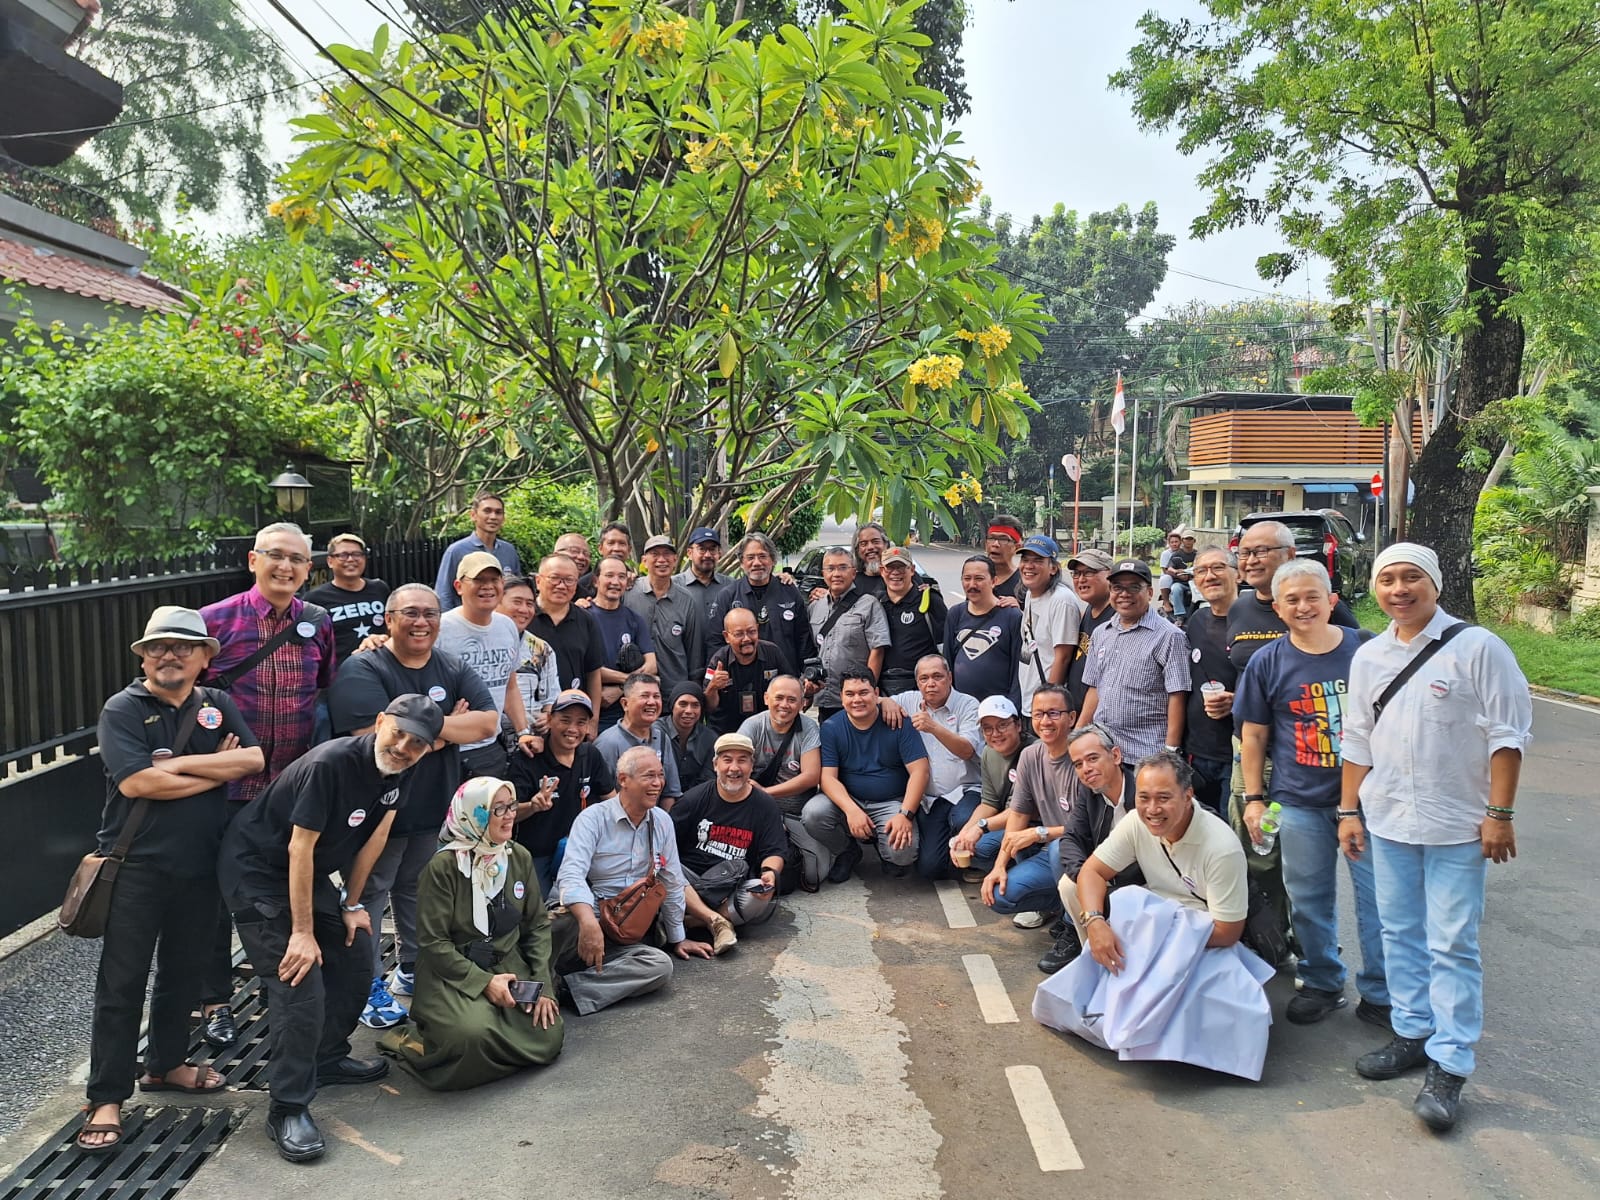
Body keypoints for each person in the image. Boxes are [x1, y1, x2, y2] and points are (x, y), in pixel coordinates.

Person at [1340, 543, 1532, 1132]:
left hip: (1457, 825)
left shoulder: (1478, 648)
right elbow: (1358, 738)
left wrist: (1499, 812)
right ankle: (1412, 1033)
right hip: (1389, 819)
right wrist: (1348, 810)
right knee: (1399, 932)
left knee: (1451, 942)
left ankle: (1449, 1065)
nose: (1398, 589)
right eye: (1387, 579)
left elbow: (1508, 734)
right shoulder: (1370, 656)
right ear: (1374, 590)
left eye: (1411, 578)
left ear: (1437, 583)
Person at [217, 695, 443, 1163]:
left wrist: (353, 905)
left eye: (417, 743)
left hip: (309, 872)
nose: (403, 746)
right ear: (379, 721)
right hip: (259, 868)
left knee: (357, 954)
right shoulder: (332, 763)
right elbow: (300, 847)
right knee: (299, 980)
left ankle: (327, 1056)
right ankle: (288, 1106)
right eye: (397, 732)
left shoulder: (405, 770)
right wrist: (302, 932)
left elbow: (376, 836)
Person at [77, 608, 264, 1156]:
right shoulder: (123, 709)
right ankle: (106, 1095)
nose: (170, 655)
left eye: (184, 646)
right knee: (123, 981)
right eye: (158, 646)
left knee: (184, 975)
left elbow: (252, 760)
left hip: (203, 865)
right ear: (143, 656)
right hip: (137, 867)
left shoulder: (217, 704)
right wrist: (208, 770)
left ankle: (166, 1065)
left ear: (205, 657)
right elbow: (136, 782)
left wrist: (173, 769)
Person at [328, 583, 499, 1029]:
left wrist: (421, 731)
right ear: (389, 619)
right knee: (366, 896)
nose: (421, 621)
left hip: (429, 807)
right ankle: (362, 985)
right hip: (374, 810)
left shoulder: (450, 664)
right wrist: (446, 729)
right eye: (410, 613)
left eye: (430, 613)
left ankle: (413, 969)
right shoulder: (363, 667)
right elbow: (365, 734)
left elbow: (487, 721)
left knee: (418, 893)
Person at [1038, 752, 1270, 1081]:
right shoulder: (1137, 822)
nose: (1152, 809)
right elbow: (1091, 871)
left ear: (1188, 796)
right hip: (1156, 920)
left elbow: (1228, 931)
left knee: (1214, 1017)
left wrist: (1160, 940)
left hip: (1202, 934)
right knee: (1112, 902)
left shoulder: (1222, 847)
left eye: (1164, 798)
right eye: (1144, 798)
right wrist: (1095, 921)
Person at [198, 521, 337, 1048]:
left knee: (283, 895)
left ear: (309, 568)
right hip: (227, 789)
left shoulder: (316, 622)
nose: (286, 567)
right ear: (253, 560)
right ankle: (214, 1002)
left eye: (297, 560)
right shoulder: (215, 621)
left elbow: (323, 690)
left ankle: (279, 989)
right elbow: (182, 698)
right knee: (215, 899)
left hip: (288, 792)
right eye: (276, 556)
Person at [1236, 558, 1388, 1028]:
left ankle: (1382, 992)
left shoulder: (1367, 651)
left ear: (1332, 602)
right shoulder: (1267, 662)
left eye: (1312, 597)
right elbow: (1255, 736)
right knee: (1308, 899)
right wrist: (1255, 799)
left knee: (1378, 903)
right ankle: (1322, 980)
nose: (1304, 607)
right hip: (1298, 800)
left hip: (1366, 803)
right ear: (1278, 608)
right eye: (1293, 600)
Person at [1224, 520, 1362, 954]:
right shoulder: (1241, 609)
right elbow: (1252, 723)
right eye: (1245, 552)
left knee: (1366, 893)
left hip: (1342, 774)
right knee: (1262, 854)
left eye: (1261, 551)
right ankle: (1278, 942)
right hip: (1258, 759)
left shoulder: (1353, 637)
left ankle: (1336, 964)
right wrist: (1253, 795)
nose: (1251, 559)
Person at [376, 777, 563, 1090]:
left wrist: (543, 985)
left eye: (511, 805)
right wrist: (485, 983)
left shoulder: (517, 857)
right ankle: (415, 1041)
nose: (509, 815)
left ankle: (488, 1039)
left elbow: (537, 925)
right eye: (497, 809)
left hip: (507, 964)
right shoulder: (443, 868)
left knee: (547, 1036)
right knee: (471, 1035)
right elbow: (433, 944)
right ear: (472, 815)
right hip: (452, 971)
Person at [551, 746, 713, 1013]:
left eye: (661, 776)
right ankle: (549, 975)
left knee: (659, 966)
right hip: (584, 920)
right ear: (624, 780)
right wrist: (588, 921)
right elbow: (571, 875)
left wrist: (677, 938)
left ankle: (568, 988)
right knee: (555, 928)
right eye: (649, 776)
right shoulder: (593, 818)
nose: (658, 783)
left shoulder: (661, 821)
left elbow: (672, 883)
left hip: (624, 929)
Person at [801, 671, 930, 882]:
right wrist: (852, 811)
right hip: (849, 800)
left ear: (876, 693)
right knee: (813, 814)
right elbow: (828, 778)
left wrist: (905, 814)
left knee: (902, 854)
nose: (857, 699)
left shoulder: (898, 721)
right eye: (849, 694)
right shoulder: (831, 727)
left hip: (890, 801)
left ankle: (883, 846)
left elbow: (920, 771)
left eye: (863, 692)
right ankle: (847, 850)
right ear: (841, 698)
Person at [1036, 724, 1141, 974]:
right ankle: (1095, 960)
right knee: (1069, 885)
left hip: (1150, 883)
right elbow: (1071, 838)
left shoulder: (1143, 790)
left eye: (1092, 758)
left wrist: (1107, 880)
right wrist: (1088, 877)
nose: (1086, 769)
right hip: (1111, 877)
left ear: (1115, 756)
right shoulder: (1090, 792)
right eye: (1078, 764)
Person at [671, 733, 788, 946]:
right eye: (727, 760)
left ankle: (690, 921)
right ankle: (716, 920)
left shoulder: (765, 804)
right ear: (715, 765)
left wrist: (769, 873)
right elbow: (666, 845)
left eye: (742, 760)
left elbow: (775, 849)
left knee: (757, 896)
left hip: (729, 884)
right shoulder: (694, 798)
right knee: (663, 869)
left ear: (752, 766)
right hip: (688, 878)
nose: (734, 768)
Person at [979, 684, 1079, 925]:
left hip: (1087, 853)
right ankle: (1062, 906)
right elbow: (1017, 815)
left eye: (1054, 713)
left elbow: (1089, 829)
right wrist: (998, 866)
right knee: (998, 895)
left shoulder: (1083, 757)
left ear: (1072, 718)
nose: (1045, 721)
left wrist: (1039, 833)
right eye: (1038, 714)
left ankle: (1071, 925)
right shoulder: (1031, 756)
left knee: (1059, 848)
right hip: (1051, 851)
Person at [1076, 558, 1190, 762]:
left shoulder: (1169, 636)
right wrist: (1078, 736)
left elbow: (1177, 695)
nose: (1124, 594)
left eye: (1134, 587)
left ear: (1150, 592)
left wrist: (1170, 752)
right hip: (1104, 748)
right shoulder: (1102, 632)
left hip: (1146, 753)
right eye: (1117, 588)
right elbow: (1094, 687)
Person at [880, 655, 981, 880]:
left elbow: (967, 750)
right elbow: (873, 701)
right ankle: (949, 850)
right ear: (917, 683)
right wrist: (884, 701)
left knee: (962, 819)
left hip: (966, 791)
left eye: (937, 676)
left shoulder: (968, 704)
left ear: (950, 678)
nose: (930, 683)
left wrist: (933, 727)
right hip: (930, 800)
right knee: (930, 870)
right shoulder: (909, 699)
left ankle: (976, 859)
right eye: (924, 678)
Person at [505, 691, 616, 894]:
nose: (573, 729)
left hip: (577, 850)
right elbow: (507, 813)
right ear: (549, 719)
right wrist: (533, 806)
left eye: (581, 722)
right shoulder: (528, 757)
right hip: (535, 853)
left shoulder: (589, 754)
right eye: (565, 720)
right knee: (536, 913)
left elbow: (612, 801)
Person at [440, 553, 537, 777]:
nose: (488, 587)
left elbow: (510, 685)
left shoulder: (507, 626)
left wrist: (523, 731)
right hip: (449, 748)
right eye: (478, 580)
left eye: (494, 580)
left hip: (491, 746)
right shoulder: (441, 628)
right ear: (458, 586)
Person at [739, 674, 824, 889]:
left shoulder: (809, 728)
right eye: (779, 698)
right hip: (756, 811)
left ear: (803, 703)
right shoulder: (752, 726)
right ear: (766, 698)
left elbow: (811, 775)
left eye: (792, 699)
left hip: (797, 811)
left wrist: (766, 793)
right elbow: (735, 767)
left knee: (818, 875)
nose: (784, 705)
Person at [1182, 546, 1240, 816]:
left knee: (1236, 839)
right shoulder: (1196, 620)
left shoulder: (1259, 622)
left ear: (1237, 574)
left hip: (1238, 756)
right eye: (1201, 571)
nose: (1209, 576)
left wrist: (1238, 701)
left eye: (1218, 567)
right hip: (1196, 753)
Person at [709, 532, 817, 677]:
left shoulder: (789, 592)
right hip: (741, 681)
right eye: (750, 557)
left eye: (762, 556)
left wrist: (807, 676)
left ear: (772, 560)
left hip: (784, 680)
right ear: (741, 563)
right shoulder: (727, 596)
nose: (757, 563)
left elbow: (804, 638)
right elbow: (715, 642)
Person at [949, 696, 1033, 880]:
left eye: (1002, 725)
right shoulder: (988, 752)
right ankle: (1011, 871)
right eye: (987, 728)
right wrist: (964, 834)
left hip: (1034, 825)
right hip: (1006, 822)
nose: (995, 733)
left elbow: (1021, 811)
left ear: (1018, 725)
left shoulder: (1033, 753)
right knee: (967, 846)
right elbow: (989, 802)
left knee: (987, 845)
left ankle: (1022, 877)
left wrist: (980, 827)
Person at [808, 546, 891, 721]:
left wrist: (867, 691)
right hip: (826, 699)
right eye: (830, 568)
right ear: (824, 573)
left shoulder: (869, 605)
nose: (836, 574)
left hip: (857, 700)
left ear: (853, 573)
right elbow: (811, 650)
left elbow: (878, 650)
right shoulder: (815, 606)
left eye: (842, 567)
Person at [531, 553, 606, 724]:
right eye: (554, 578)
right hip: (532, 717)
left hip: (572, 719)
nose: (561, 586)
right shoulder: (523, 616)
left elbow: (593, 673)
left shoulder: (586, 619)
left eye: (569, 580)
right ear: (538, 581)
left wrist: (592, 722)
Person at [627, 534, 707, 692]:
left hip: (674, 690)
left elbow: (694, 651)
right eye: (655, 554)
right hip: (633, 689)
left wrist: (692, 691)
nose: (661, 560)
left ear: (675, 559)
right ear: (644, 560)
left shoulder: (687, 600)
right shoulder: (628, 592)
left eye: (667, 554)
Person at [1017, 535, 1081, 726]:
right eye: (1025, 560)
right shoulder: (1030, 593)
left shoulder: (1061, 601)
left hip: (1046, 710)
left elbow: (1063, 657)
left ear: (1053, 568)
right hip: (1029, 700)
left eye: (1038, 561)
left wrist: (1047, 706)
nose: (1029, 566)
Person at [945, 555, 1024, 709]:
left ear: (994, 581)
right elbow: (948, 661)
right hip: (962, 708)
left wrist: (1013, 707)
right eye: (967, 578)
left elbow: (1018, 669)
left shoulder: (1012, 616)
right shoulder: (955, 614)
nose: (972, 584)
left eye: (979, 579)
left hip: (1000, 709)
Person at [589, 556, 657, 729]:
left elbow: (651, 666)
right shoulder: (583, 616)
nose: (615, 582)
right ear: (596, 581)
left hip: (630, 713)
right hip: (594, 711)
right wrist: (631, 680)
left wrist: (621, 688)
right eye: (609, 575)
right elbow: (590, 668)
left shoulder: (634, 619)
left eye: (621, 576)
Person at [594, 673, 683, 805]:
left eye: (656, 696)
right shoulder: (607, 743)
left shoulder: (662, 738)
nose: (652, 702)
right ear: (625, 704)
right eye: (644, 696)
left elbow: (670, 793)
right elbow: (602, 794)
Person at [704, 607, 792, 736]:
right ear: (726, 636)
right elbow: (708, 707)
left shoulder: (773, 653)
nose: (746, 639)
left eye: (751, 632)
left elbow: (790, 687)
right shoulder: (718, 661)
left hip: (766, 731)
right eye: (739, 634)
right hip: (727, 732)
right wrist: (713, 687)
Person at [305, 533, 390, 665]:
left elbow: (393, 627)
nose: (351, 559)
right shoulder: (315, 599)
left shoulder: (380, 589)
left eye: (357, 554)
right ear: (330, 561)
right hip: (341, 674)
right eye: (343, 555)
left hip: (383, 668)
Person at [875, 546, 947, 698]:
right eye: (890, 567)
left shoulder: (929, 600)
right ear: (882, 571)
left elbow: (945, 647)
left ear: (912, 570)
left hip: (922, 688)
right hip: (885, 688)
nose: (895, 572)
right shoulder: (876, 603)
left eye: (901, 567)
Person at [498, 575, 559, 746]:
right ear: (496, 602)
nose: (524, 610)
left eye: (530, 604)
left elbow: (551, 699)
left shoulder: (541, 649)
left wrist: (548, 716)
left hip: (533, 741)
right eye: (517, 602)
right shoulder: (477, 644)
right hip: (489, 741)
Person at [435, 493, 521, 611]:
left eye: (498, 512)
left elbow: (516, 590)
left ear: (503, 518)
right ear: (473, 515)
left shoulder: (509, 551)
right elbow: (444, 594)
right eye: (487, 511)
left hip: (501, 622)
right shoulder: (457, 551)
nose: (493, 516)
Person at [1065, 549, 1116, 711]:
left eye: (1089, 572)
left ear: (1110, 575)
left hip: (1095, 721)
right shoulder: (1089, 609)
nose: (1081, 579)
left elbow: (1102, 684)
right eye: (1076, 573)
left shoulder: (1116, 619)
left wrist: (1081, 726)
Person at [660, 680, 716, 792]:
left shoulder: (709, 738)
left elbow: (708, 780)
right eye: (683, 704)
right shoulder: (656, 732)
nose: (689, 711)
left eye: (695, 705)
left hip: (695, 799)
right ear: (672, 706)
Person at [675, 526, 732, 621]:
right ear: (689, 553)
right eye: (702, 549)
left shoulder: (730, 586)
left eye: (712, 549)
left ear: (719, 553)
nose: (708, 555)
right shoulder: (674, 585)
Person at [576, 521, 634, 597]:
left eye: (622, 543)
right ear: (600, 548)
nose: (616, 548)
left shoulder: (635, 582)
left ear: (629, 550)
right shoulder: (583, 585)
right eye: (611, 543)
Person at [984, 514, 1026, 603]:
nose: (995, 544)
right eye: (991, 538)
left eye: (1003, 540)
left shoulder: (1024, 582)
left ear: (1017, 547)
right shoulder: (977, 577)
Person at [553, 532, 595, 601]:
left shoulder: (587, 598)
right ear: (556, 554)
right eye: (574, 551)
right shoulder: (534, 588)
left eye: (586, 554)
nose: (581, 557)